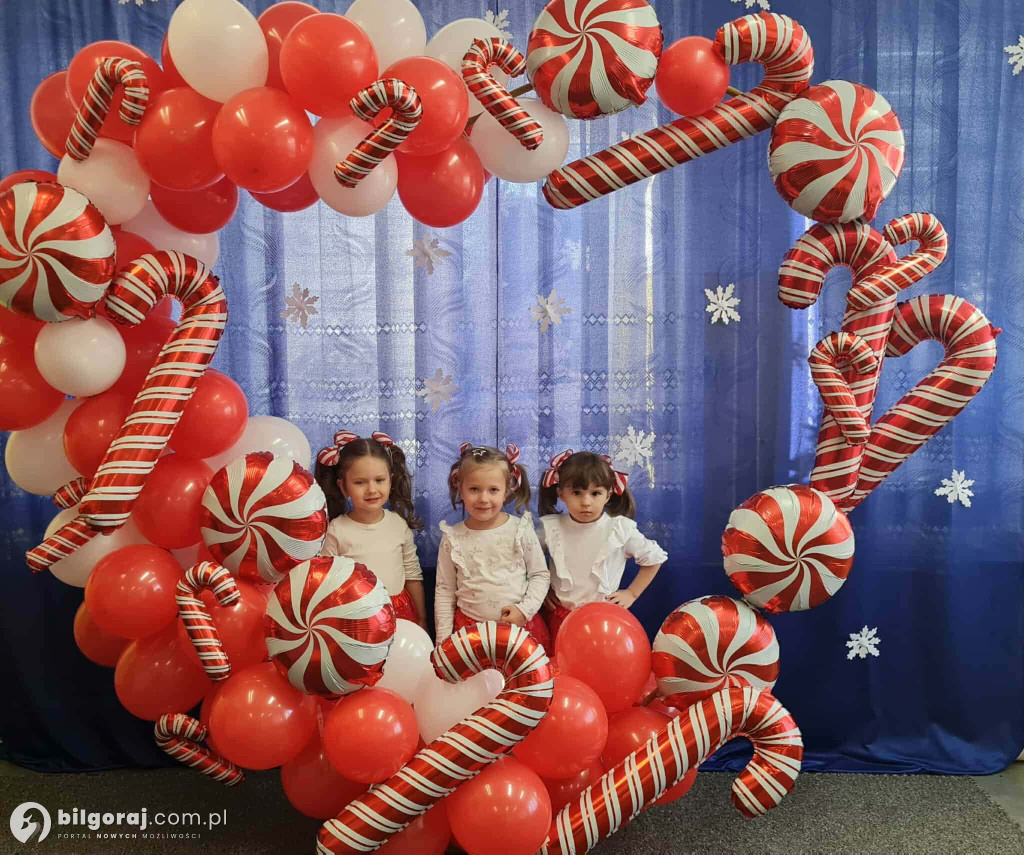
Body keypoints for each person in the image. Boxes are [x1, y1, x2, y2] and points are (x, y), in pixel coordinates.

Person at [537, 449, 667, 641]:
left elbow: (654, 558)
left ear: (608, 495)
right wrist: (542, 589)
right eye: (576, 493)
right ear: (561, 494)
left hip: (604, 622)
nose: (586, 502)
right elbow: (524, 559)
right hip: (560, 618)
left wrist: (632, 593)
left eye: (595, 493)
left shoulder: (618, 529)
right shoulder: (551, 528)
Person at [434, 442, 551, 653]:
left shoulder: (520, 529)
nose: (483, 498)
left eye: (493, 490)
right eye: (474, 489)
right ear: (460, 489)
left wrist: (524, 611)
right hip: (470, 634)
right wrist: (443, 643)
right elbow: (445, 592)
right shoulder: (452, 538)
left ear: (506, 490)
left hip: (519, 630)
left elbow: (540, 575)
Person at [314, 429, 427, 628]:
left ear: (390, 480)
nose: (372, 489)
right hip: (355, 617)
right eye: (360, 483)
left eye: (379, 480)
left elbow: (412, 576)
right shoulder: (336, 530)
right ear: (343, 487)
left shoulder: (398, 525)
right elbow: (325, 583)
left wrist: (421, 619)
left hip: (400, 614)